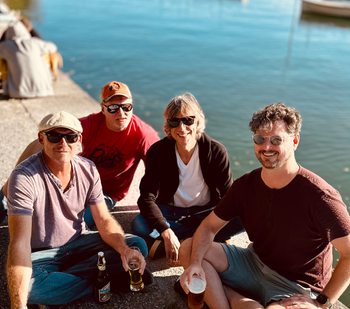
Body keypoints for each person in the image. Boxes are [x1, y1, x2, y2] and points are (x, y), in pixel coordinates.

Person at [179, 103, 350, 309]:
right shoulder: (245, 185)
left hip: (296, 286)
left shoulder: (321, 196)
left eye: (276, 140)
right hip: (253, 263)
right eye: (260, 139)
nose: (266, 147)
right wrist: (196, 263)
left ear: (294, 141)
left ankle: (231, 297)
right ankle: (230, 303)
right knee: (189, 248)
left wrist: (322, 301)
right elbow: (208, 227)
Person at [6, 110, 150, 308]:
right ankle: (101, 281)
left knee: (136, 246)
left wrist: (124, 250)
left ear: (79, 140)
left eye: (70, 137)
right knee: (29, 289)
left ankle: (73, 281)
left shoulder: (88, 169)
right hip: (41, 253)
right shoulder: (24, 178)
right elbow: (19, 243)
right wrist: (18, 305)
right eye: (55, 136)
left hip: (79, 241)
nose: (63, 143)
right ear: (41, 138)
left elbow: (104, 220)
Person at [1, 80, 160, 227]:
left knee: (70, 226)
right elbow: (41, 141)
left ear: (132, 106)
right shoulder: (91, 124)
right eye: (113, 108)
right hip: (76, 184)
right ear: (103, 109)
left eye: (126, 107)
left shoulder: (143, 135)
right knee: (8, 200)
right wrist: (14, 181)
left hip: (106, 193)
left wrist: (160, 212)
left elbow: (158, 173)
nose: (121, 113)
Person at [132, 93, 243, 263]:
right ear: (168, 125)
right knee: (139, 224)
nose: (181, 128)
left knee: (244, 218)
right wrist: (166, 232)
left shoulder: (216, 152)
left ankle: (184, 241)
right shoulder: (158, 152)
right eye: (174, 122)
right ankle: (203, 239)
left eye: (188, 120)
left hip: (206, 212)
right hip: (171, 212)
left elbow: (230, 198)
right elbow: (146, 197)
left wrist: (214, 221)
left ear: (198, 121)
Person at [0, 20, 57, 98]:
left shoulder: (6, 46)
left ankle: (5, 84)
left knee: (3, 59)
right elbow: (53, 47)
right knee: (44, 54)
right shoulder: (35, 42)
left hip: (17, 92)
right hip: (44, 91)